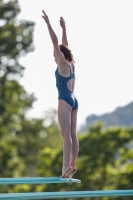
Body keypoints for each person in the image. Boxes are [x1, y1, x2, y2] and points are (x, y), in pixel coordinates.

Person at [42, 10, 79, 178]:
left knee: (65, 134)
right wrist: (64, 28)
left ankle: (65, 167)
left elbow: (56, 42)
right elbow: (64, 44)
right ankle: (72, 164)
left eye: (56, 53)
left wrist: (48, 23)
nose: (54, 55)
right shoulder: (71, 64)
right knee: (72, 134)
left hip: (64, 99)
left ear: (60, 54)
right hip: (74, 100)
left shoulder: (62, 62)